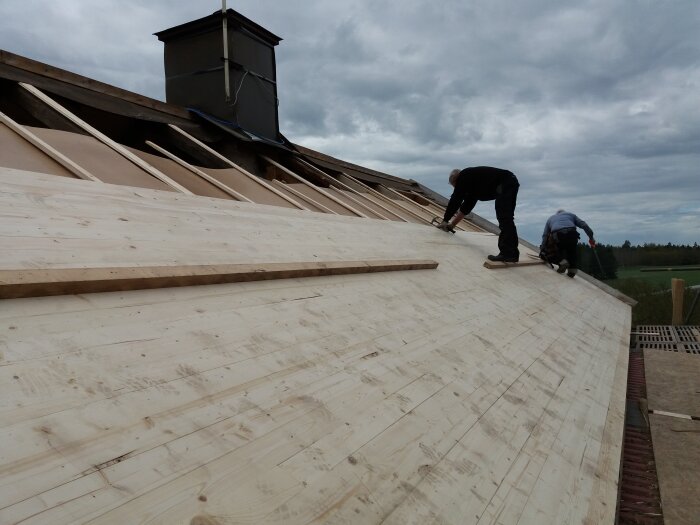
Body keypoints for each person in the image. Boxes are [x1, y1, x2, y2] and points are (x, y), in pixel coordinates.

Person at [437, 166, 520, 262]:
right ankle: (512, 254)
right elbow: (465, 208)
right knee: (506, 217)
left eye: (455, 186)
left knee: (504, 217)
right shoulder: (472, 185)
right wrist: (451, 225)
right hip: (509, 181)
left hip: (506, 182)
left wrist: (445, 220)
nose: (457, 188)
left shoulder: (463, 176)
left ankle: (509, 253)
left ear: (456, 180)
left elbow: (456, 199)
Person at [540, 209, 596, 278]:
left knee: (554, 252)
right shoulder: (571, 215)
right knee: (572, 252)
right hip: (572, 234)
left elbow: (545, 235)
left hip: (558, 235)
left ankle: (561, 262)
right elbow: (584, 225)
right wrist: (591, 239)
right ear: (564, 212)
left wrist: (542, 249)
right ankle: (572, 271)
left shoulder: (550, 219)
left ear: (557, 214)